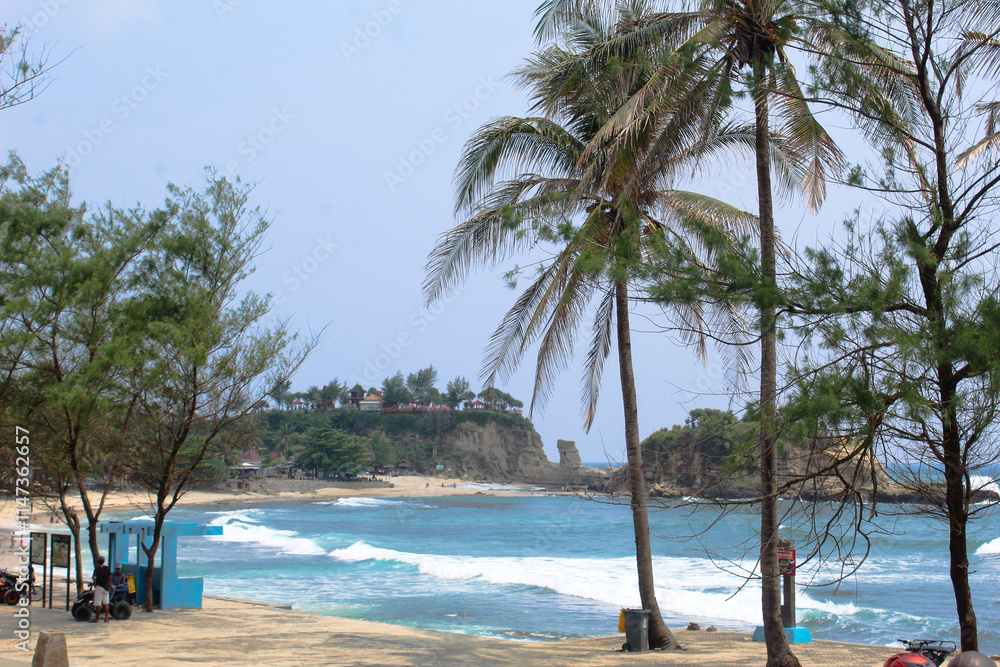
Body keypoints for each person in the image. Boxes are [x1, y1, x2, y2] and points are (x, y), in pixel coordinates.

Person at [91, 556, 111, 622]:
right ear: (104, 561)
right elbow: (109, 578)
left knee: (98, 603)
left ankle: (97, 618)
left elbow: (94, 577)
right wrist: (109, 587)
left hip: (99, 587)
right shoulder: (107, 568)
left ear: (98, 562)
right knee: (106, 603)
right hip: (106, 587)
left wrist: (95, 584)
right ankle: (106, 618)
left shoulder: (97, 569)